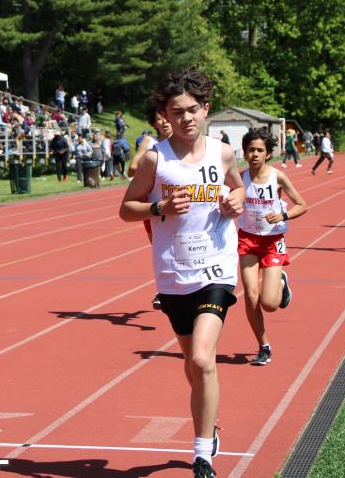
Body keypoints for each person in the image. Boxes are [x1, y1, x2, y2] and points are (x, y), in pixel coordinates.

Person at [118, 68, 244, 478]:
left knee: (204, 359)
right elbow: (126, 209)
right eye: (177, 112)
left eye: (192, 110)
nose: (186, 118)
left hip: (217, 268)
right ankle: (210, 423)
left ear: (206, 109)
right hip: (174, 273)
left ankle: (202, 453)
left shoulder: (222, 153)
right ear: (165, 116)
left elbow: (237, 186)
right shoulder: (156, 159)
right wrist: (159, 208)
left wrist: (236, 201)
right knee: (192, 364)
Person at [237, 127, 307, 366]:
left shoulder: (278, 177)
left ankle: (281, 283)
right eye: (251, 150)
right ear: (245, 152)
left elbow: (302, 204)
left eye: (260, 150)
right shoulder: (239, 178)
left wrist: (282, 216)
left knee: (269, 304)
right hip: (247, 239)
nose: (255, 154)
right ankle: (263, 345)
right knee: (250, 296)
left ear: (268, 154)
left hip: (272, 241)